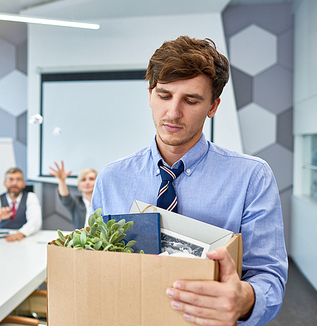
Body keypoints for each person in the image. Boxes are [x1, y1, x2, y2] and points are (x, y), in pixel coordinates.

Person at [91, 36, 287, 326]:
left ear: (213, 106)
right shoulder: (111, 178)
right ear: (149, 94)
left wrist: (244, 300)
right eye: (164, 95)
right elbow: (95, 260)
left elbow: (268, 276)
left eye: (191, 100)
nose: (173, 113)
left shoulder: (252, 177)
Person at [0, 167, 42, 242]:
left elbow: (35, 221)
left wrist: (21, 233)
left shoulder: (31, 197)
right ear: (4, 183)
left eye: (18, 179)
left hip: (25, 239)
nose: (14, 183)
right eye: (10, 179)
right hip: (2, 241)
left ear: (23, 184)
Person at [49, 160, 97, 229]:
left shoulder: (103, 204)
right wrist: (62, 180)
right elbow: (65, 197)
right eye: (83, 180)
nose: (87, 182)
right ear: (79, 185)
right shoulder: (76, 204)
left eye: (91, 179)